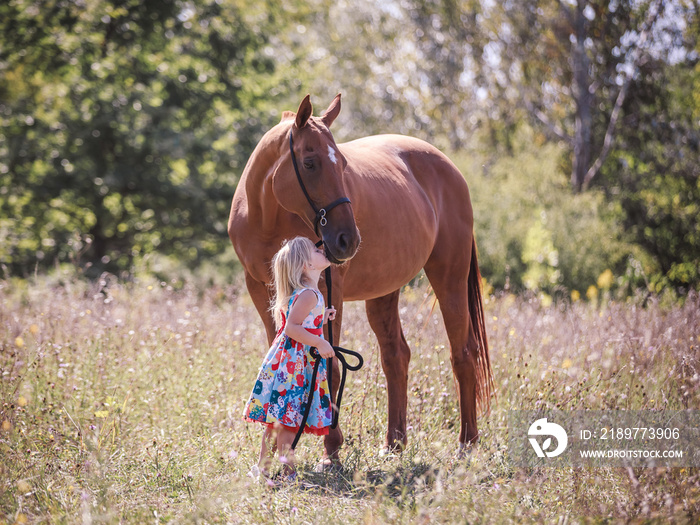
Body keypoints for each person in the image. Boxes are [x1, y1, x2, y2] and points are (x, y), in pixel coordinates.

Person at [243, 236, 336, 484]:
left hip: (289, 362)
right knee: (288, 422)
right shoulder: (308, 295)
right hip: (294, 365)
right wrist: (319, 341)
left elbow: (302, 322)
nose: (322, 250)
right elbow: (292, 328)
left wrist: (321, 318)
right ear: (307, 265)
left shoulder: (309, 294)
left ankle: (262, 470)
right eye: (316, 250)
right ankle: (289, 475)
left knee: (280, 420)